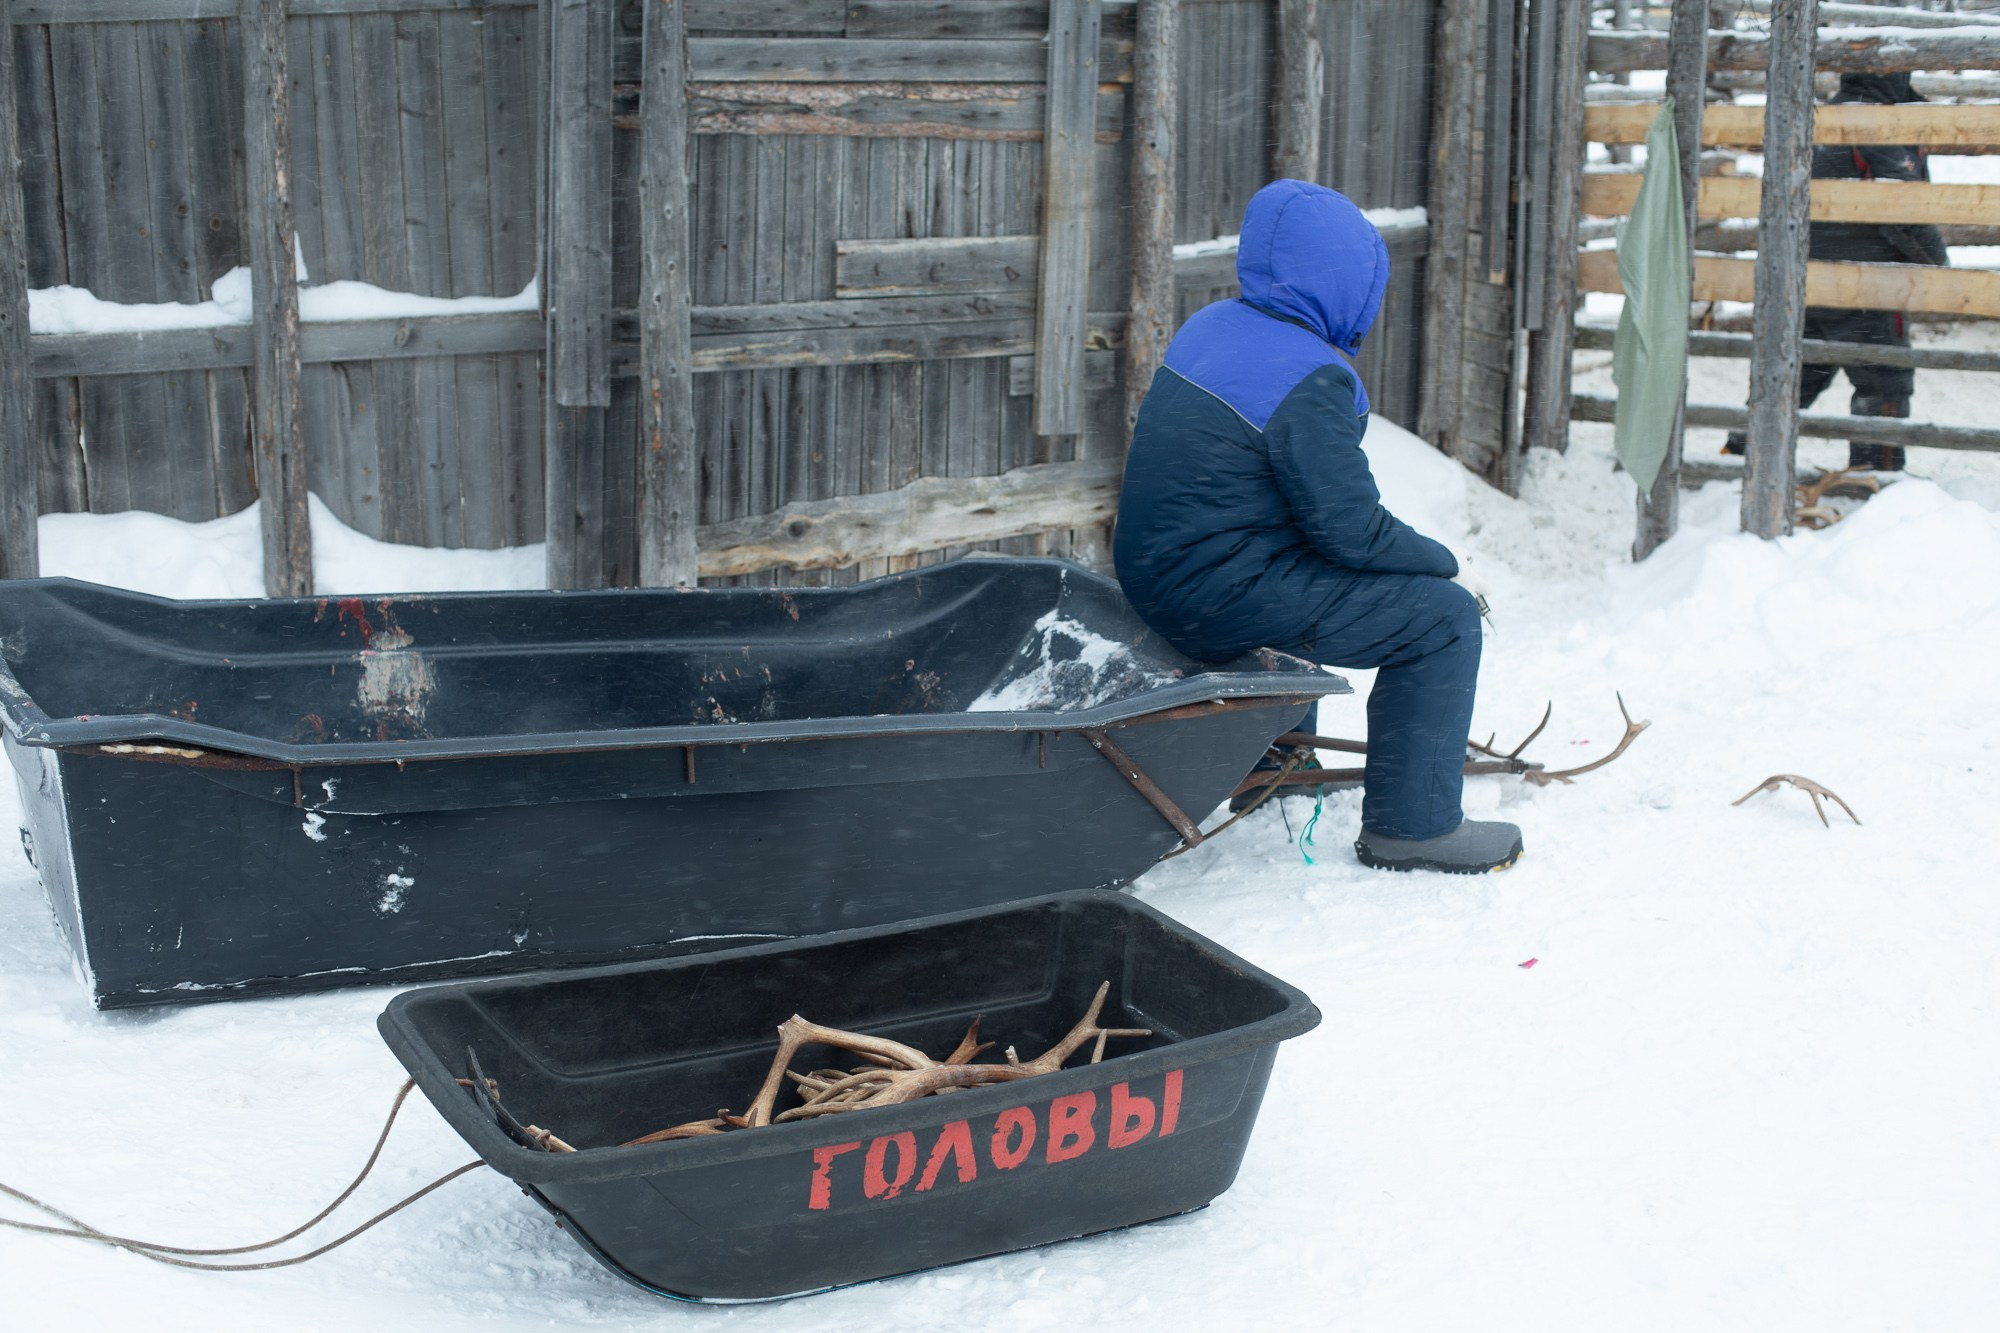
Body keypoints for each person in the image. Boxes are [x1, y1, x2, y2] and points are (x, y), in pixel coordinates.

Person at [1114, 179, 1521, 875]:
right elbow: (1351, 530)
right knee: (1441, 620)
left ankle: (1272, 770)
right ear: (1346, 282)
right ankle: (1413, 827)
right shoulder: (1308, 375)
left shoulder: (1210, 327)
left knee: (1303, 569)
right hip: (1217, 593)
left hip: (1158, 574)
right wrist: (1445, 563)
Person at [1724, 72, 1950, 472]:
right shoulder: (1879, 128)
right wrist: (1939, 266)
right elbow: (1903, 209)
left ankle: (1739, 463)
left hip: (1804, 283)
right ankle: (1875, 475)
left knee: (1795, 377)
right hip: (1866, 288)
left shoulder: (1818, 118)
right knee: (1884, 382)